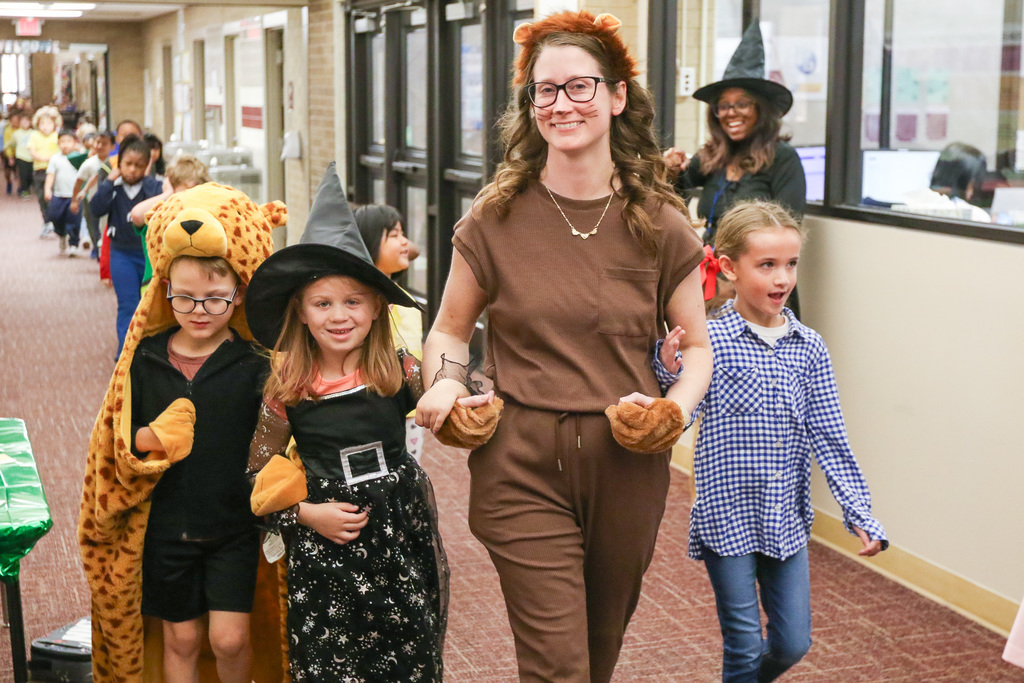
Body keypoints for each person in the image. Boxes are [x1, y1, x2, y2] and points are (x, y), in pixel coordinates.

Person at [414, 11, 713, 682]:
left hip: (627, 465)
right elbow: (450, 332)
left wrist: (675, 410)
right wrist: (446, 381)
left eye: (578, 86)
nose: (560, 104)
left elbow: (697, 348)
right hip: (520, 461)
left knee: (596, 656)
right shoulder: (494, 217)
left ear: (615, 96)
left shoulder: (659, 221)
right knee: (559, 667)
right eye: (543, 91)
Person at [244, 164, 452, 682]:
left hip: (400, 534)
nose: (339, 315)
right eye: (323, 303)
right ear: (301, 310)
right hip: (326, 551)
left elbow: (448, 409)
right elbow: (256, 478)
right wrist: (306, 516)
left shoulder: (397, 369)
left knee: (409, 656)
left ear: (378, 306)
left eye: (353, 301)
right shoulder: (288, 385)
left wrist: (455, 397)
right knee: (336, 667)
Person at [78, 182, 288, 682]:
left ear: (239, 294)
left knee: (230, 639)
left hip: (232, 528)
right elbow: (116, 444)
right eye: (185, 297)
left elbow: (274, 439)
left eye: (215, 299)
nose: (199, 310)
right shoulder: (145, 362)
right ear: (164, 289)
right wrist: (150, 441)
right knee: (182, 637)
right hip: (167, 529)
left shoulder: (254, 364)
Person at [676, 200, 887, 682]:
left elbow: (831, 437)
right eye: (767, 265)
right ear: (728, 267)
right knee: (745, 646)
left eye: (790, 265)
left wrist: (859, 512)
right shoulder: (707, 340)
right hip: (725, 516)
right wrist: (667, 372)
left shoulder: (809, 348)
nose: (782, 279)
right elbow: (679, 420)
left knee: (794, 642)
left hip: (784, 518)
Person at [663, 23, 806, 248]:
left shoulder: (783, 159)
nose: (731, 113)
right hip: (709, 273)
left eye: (742, 104)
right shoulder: (715, 156)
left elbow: (788, 232)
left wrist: (732, 277)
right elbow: (675, 193)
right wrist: (671, 168)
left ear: (761, 109)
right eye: (723, 106)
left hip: (757, 276)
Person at [354, 203, 426, 460]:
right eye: (394, 235)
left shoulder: (405, 301)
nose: (405, 242)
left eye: (403, 233)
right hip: (372, 417)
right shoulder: (356, 307)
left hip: (410, 416)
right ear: (369, 242)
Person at [90, 134, 164, 356]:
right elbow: (96, 209)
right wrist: (109, 181)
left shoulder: (155, 187)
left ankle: (151, 352)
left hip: (150, 257)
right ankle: (126, 352)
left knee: (152, 306)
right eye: (127, 164)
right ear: (118, 163)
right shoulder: (112, 187)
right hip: (121, 254)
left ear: (147, 166)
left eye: (138, 165)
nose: (132, 170)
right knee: (128, 305)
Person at [131, 154, 211, 291]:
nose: (187, 198)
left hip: (193, 288)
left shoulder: (207, 215)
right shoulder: (161, 215)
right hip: (157, 289)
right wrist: (167, 194)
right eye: (182, 192)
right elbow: (137, 215)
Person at [72, 130, 114, 261]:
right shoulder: (88, 164)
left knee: (105, 227)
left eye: (104, 143)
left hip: (110, 203)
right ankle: (97, 248)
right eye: (97, 142)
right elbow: (79, 182)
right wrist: (74, 200)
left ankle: (103, 251)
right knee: (92, 227)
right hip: (90, 200)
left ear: (112, 146)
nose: (100, 146)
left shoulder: (115, 162)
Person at [44, 129, 83, 256]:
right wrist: (48, 189)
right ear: (58, 143)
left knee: (74, 221)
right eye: (62, 142)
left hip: (74, 196)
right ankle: (61, 234)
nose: (65, 145)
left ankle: (73, 244)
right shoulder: (55, 159)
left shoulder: (79, 156)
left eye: (69, 141)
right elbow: (51, 175)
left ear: (75, 142)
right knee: (54, 216)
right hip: (59, 195)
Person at [29, 106, 62, 236]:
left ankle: (55, 221)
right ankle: (46, 222)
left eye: (48, 123)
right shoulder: (34, 136)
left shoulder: (57, 136)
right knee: (42, 197)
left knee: (54, 196)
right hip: (39, 170)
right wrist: (45, 158)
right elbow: (33, 152)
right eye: (42, 123)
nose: (45, 126)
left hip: (55, 171)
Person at [11, 112, 34, 199]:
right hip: (21, 157)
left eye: (26, 121)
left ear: (30, 123)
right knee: (23, 175)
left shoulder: (34, 133)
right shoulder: (16, 133)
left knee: (30, 175)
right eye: (22, 121)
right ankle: (25, 191)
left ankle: (27, 187)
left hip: (32, 157)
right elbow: (12, 143)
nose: (24, 123)